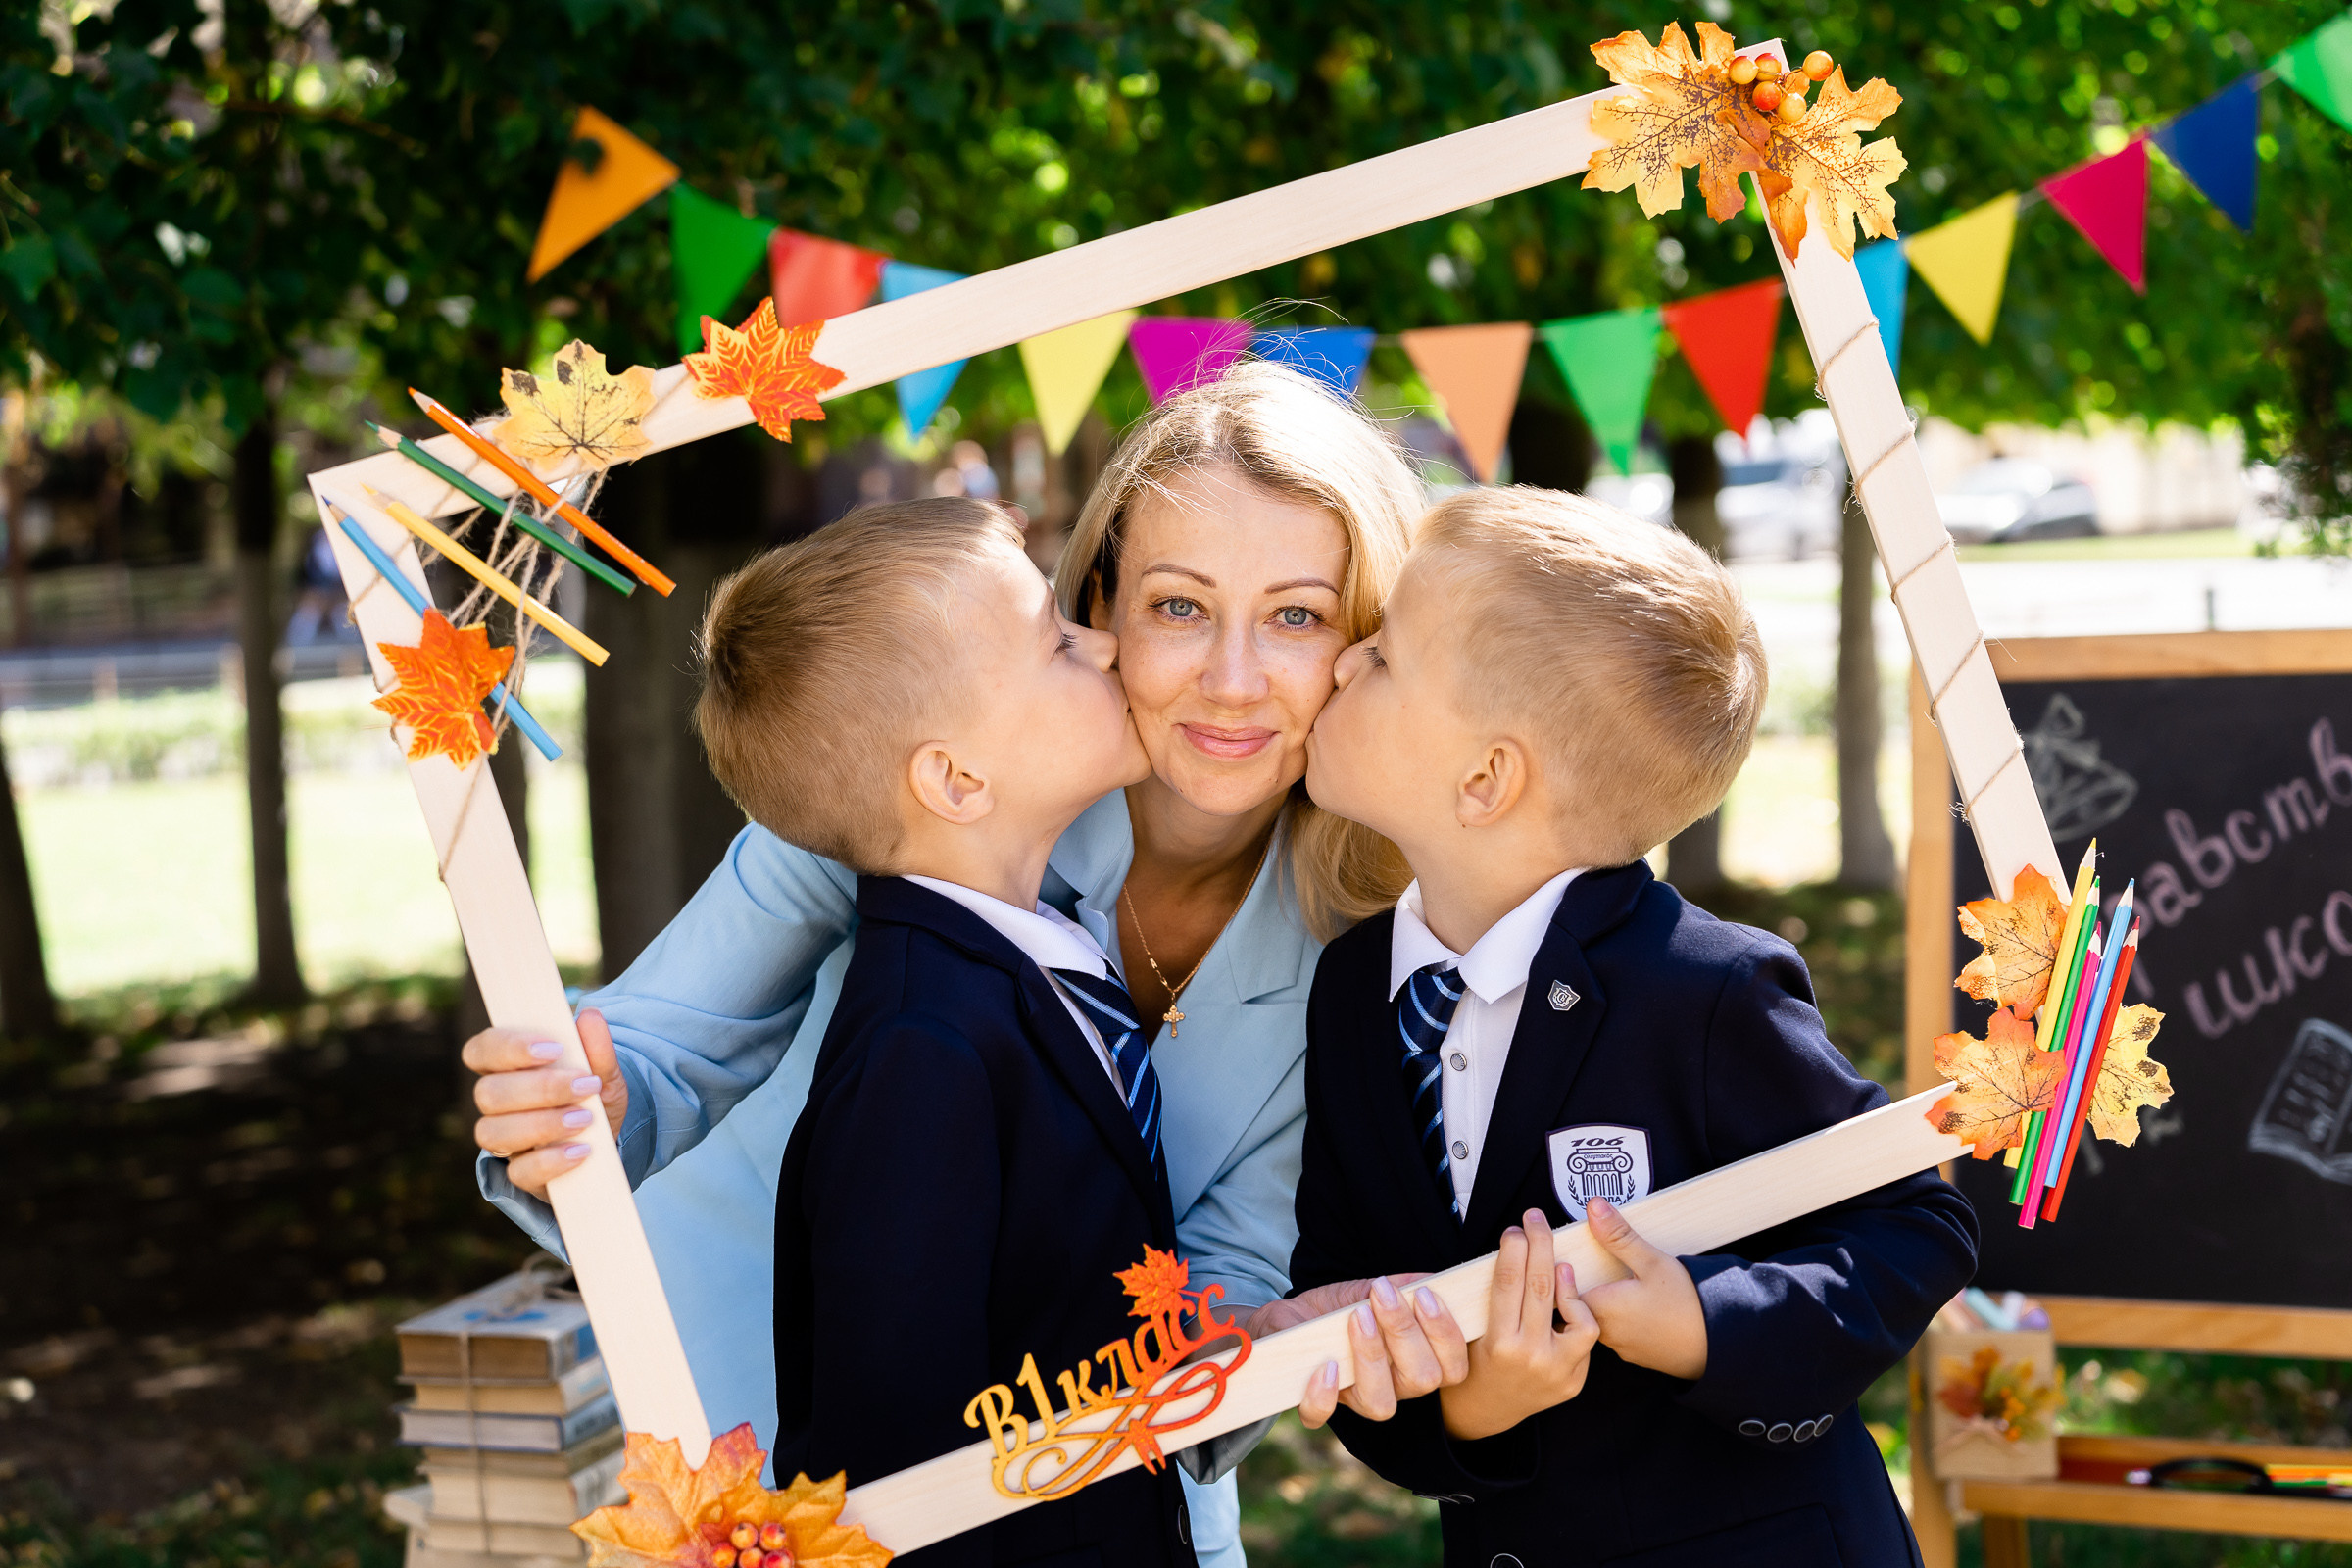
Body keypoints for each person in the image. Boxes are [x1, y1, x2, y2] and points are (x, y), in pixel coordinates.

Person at [461, 364, 1465, 1555]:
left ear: (1365, 643)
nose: (1232, 679)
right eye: (1178, 606)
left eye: (1297, 615)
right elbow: (662, 1043)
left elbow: (1211, 1294)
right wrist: (584, 1102)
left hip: (1093, 1505)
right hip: (777, 1446)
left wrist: (1289, 1339)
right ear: (1101, 605)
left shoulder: (1364, 951)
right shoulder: (915, 784)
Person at [1289, 486, 1979, 1566]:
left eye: (1382, 657)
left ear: (1486, 778)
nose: (1339, 663)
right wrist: (1474, 1407)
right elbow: (1344, 1297)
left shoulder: (1703, 990)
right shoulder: (1349, 993)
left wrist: (1703, 1320)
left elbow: (1914, 1222)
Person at [691, 495, 1193, 1564]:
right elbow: (896, 1465)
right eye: (1057, 644)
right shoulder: (919, 1051)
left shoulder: (1034, 956)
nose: (1106, 644)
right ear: (957, 780)